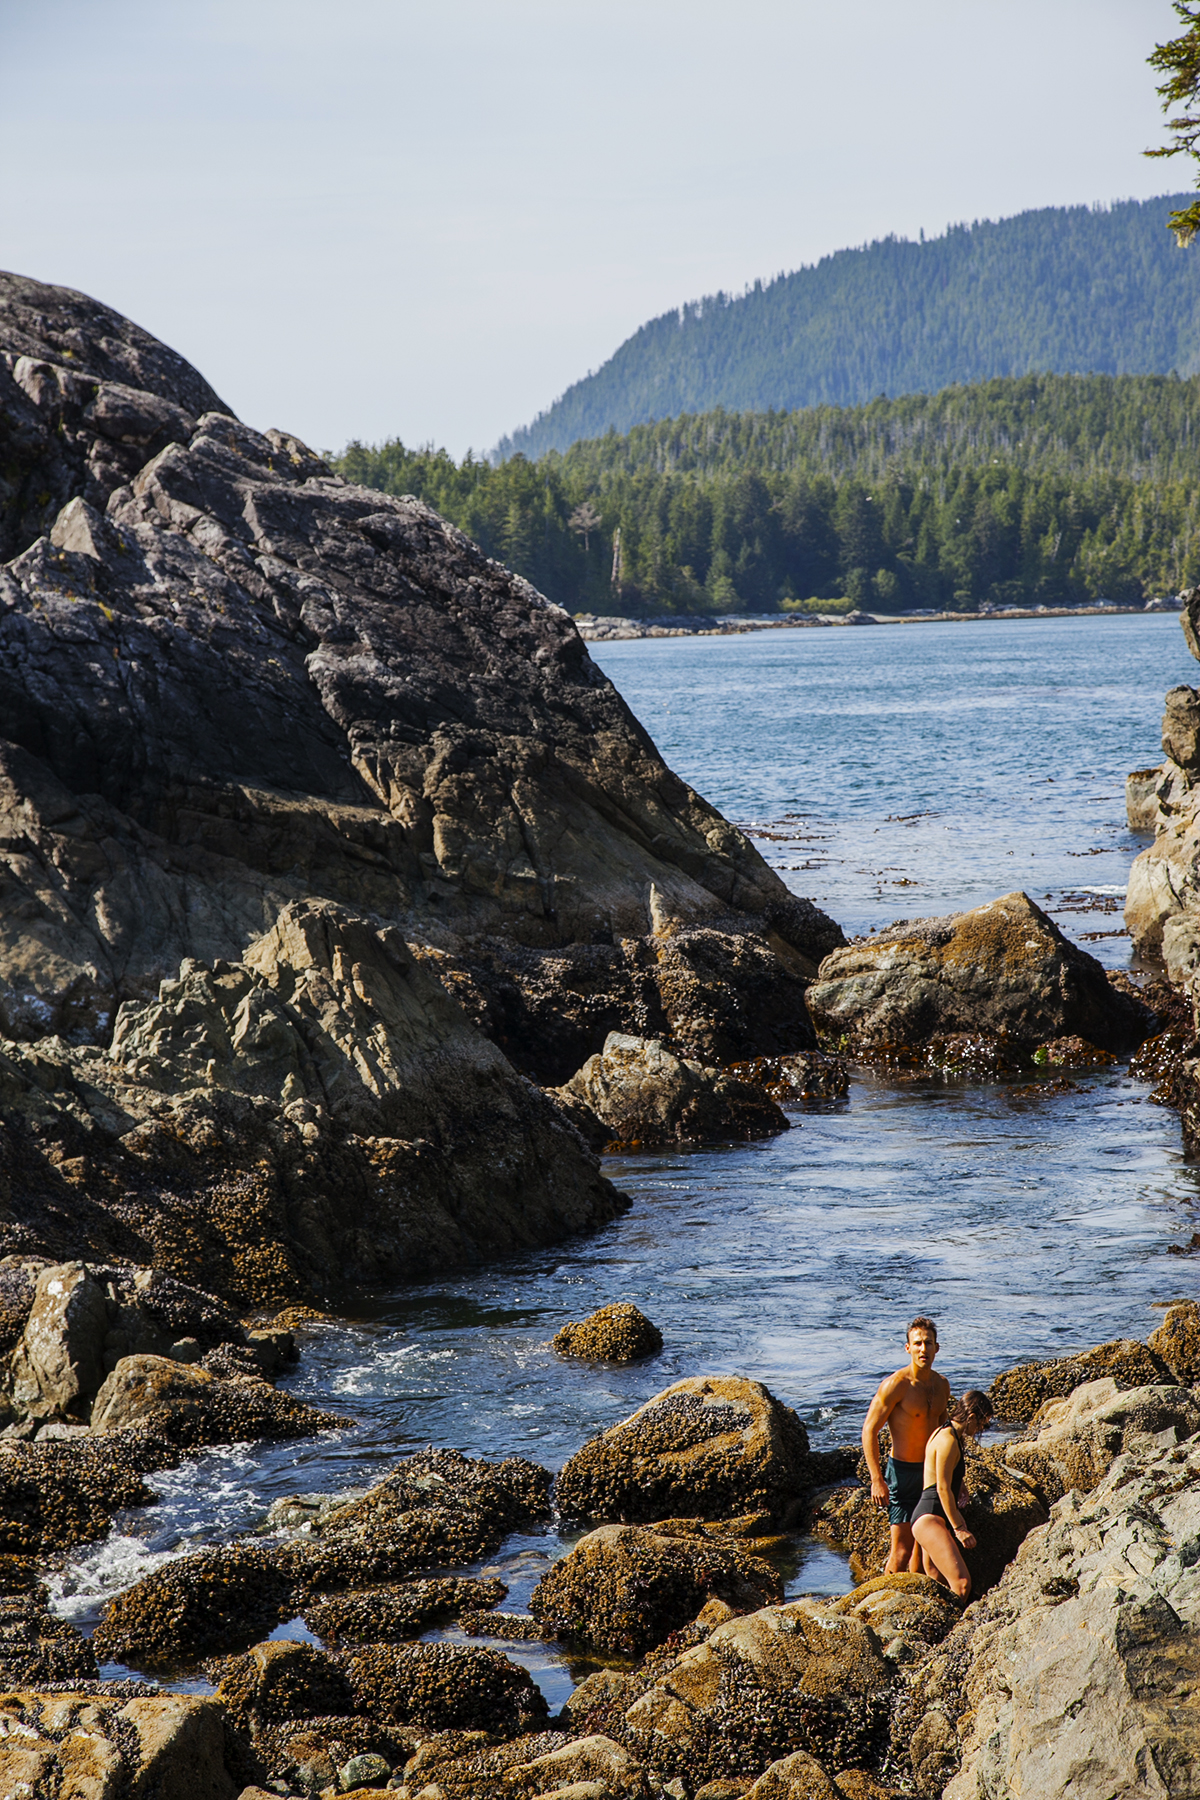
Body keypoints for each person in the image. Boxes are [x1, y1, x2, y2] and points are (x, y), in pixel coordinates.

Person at [862, 1316, 951, 1575]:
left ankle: (918, 1601)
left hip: (930, 1473)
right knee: (901, 1551)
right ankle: (887, 1602)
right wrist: (876, 1478)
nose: (923, 1349)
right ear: (908, 1348)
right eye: (918, 1343)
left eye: (929, 1343)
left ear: (937, 1348)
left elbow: (945, 1436)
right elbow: (869, 1430)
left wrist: (957, 1476)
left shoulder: (942, 1385)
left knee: (924, 1550)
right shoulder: (896, 1385)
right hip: (901, 1473)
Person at [911, 1389, 994, 1601]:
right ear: (972, 1417)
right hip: (930, 1518)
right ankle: (957, 1631)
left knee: (937, 1581)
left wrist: (961, 1484)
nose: (980, 1430)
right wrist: (959, 1528)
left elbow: (941, 1471)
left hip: (929, 1516)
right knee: (962, 1584)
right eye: (981, 1425)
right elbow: (941, 1488)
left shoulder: (945, 1432)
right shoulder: (948, 1441)